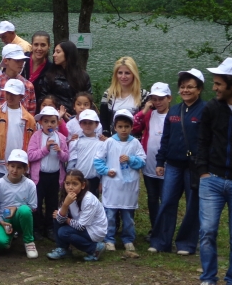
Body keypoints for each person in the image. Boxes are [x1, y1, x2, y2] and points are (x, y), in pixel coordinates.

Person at [194, 58, 232, 285]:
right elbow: (202, 141)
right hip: (212, 179)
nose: (214, 88)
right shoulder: (211, 109)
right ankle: (208, 280)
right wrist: (203, 171)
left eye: (218, 83)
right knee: (207, 231)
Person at [149, 69, 205, 255]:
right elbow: (166, 138)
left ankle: (187, 244)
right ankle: (160, 242)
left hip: (194, 166)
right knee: (167, 202)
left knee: (192, 205)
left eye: (190, 87)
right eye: (182, 87)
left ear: (199, 89)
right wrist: (160, 162)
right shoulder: (174, 111)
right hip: (172, 164)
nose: (185, 90)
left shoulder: (205, 110)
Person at [94, 109, 146, 252]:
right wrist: (106, 171)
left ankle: (128, 239)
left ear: (131, 127)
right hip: (112, 184)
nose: (123, 130)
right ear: (115, 127)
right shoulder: (109, 142)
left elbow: (142, 161)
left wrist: (131, 159)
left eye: (127, 127)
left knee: (128, 215)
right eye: (120, 127)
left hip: (128, 186)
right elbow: (98, 160)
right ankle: (109, 238)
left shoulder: (135, 143)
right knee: (110, 214)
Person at [132, 82, 172, 239]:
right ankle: (155, 227)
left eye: (161, 98)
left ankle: (165, 229)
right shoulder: (149, 114)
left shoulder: (173, 115)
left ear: (169, 98)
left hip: (167, 165)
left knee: (166, 197)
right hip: (149, 164)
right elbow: (134, 126)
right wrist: (144, 110)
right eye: (154, 99)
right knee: (152, 197)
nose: (157, 102)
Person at [0, 79, 36, 181]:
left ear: (21, 96)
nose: (9, 96)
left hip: (19, 165)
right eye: (8, 93)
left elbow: (33, 141)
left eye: (13, 94)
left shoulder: (29, 119)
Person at [27, 106, 70, 240]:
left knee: (52, 203)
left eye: (52, 121)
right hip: (39, 176)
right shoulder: (36, 136)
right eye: (46, 121)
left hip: (55, 175)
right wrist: (45, 149)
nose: (49, 124)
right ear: (41, 123)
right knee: (37, 203)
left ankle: (50, 228)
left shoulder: (61, 138)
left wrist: (59, 152)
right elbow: (30, 155)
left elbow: (66, 158)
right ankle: (36, 229)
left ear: (57, 122)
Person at [46, 170, 107, 261]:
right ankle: (62, 249)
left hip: (94, 230)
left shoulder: (88, 200)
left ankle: (94, 248)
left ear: (82, 185)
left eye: (75, 184)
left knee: (64, 232)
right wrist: (65, 205)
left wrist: (66, 218)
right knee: (57, 217)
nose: (70, 187)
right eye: (67, 184)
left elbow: (81, 226)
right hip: (81, 225)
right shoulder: (66, 196)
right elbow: (59, 219)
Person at [0, 149, 39, 258]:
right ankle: (9, 237)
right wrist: (2, 222)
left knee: (24, 210)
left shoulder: (30, 184)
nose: (15, 170)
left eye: (19, 167)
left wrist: (16, 208)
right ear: (7, 166)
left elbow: (33, 207)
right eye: (12, 166)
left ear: (25, 169)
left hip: (20, 218)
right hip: (4, 219)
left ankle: (29, 241)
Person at [35, 41, 92, 118]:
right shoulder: (50, 76)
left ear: (68, 54)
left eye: (58, 52)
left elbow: (88, 97)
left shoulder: (83, 76)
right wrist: (59, 111)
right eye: (54, 52)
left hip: (80, 116)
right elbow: (43, 99)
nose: (54, 55)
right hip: (56, 117)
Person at [0, 43, 36, 116]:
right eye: (17, 60)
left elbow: (31, 112)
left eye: (22, 60)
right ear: (6, 61)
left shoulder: (29, 86)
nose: (21, 63)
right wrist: (2, 119)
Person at [99, 56, 148, 136]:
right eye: (120, 73)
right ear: (116, 75)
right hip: (113, 140)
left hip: (135, 140)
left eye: (127, 73)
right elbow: (103, 121)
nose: (123, 76)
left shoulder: (143, 95)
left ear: (134, 74)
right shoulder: (108, 94)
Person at [67, 109, 104, 195]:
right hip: (77, 179)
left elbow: (103, 163)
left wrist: (102, 181)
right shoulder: (75, 142)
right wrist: (69, 178)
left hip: (94, 180)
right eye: (84, 123)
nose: (87, 125)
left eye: (90, 123)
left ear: (97, 124)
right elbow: (71, 162)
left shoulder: (101, 144)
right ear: (80, 124)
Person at [22, 31, 52, 100]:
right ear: (31, 45)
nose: (39, 48)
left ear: (49, 46)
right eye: (36, 45)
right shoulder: (21, 60)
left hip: (38, 108)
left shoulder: (51, 69)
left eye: (43, 45)